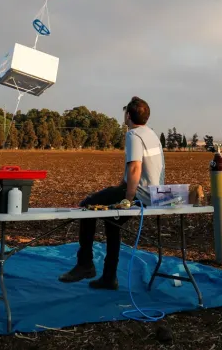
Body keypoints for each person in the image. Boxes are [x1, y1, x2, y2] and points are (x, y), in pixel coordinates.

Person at [59, 96, 165, 290]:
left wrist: (127, 199)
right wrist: (119, 189)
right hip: (155, 195)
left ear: (128, 116)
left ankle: (85, 264)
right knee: (112, 222)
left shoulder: (133, 135)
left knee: (87, 206)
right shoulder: (151, 134)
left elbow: (135, 168)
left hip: (140, 195)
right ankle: (109, 277)